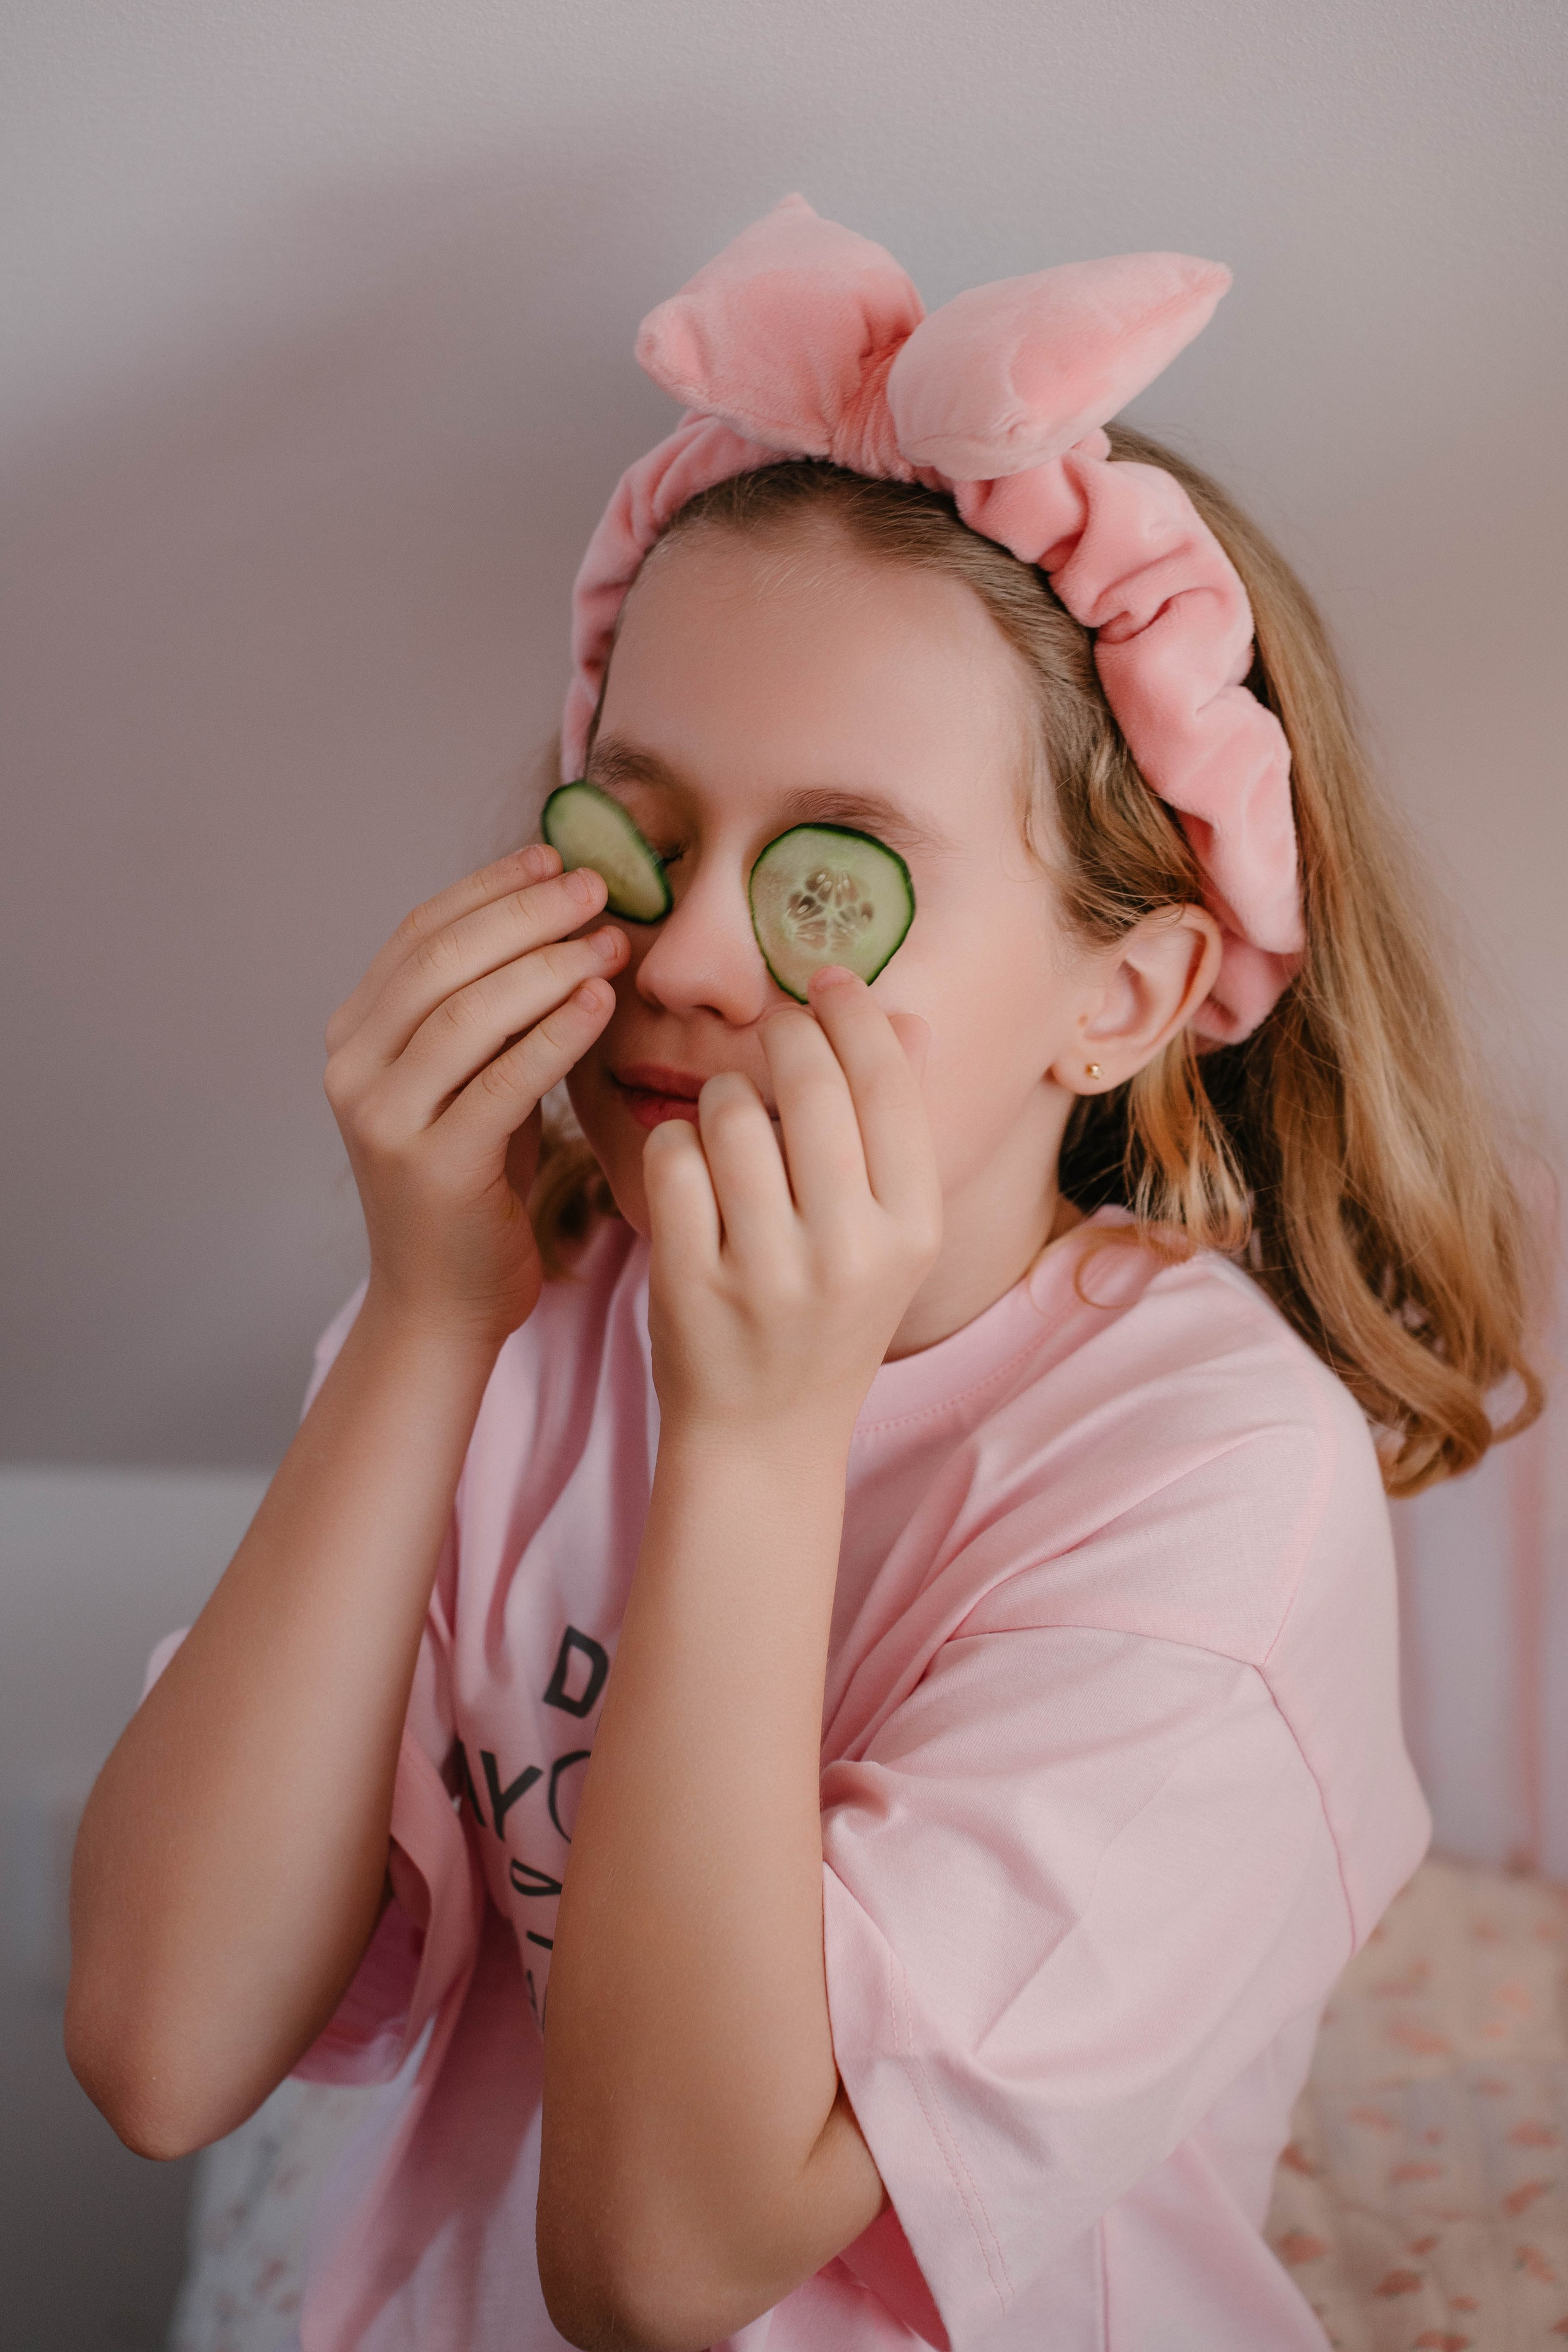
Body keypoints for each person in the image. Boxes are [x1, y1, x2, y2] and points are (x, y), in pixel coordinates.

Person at [67, 197, 1543, 2351]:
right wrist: (421, 1319)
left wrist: (757, 1439)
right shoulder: (505, 1329)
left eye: (832, 879)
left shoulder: (1218, 1483)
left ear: (1119, 998)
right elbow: (160, 2046)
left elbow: (663, 2258)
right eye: (642, 829)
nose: (676, 954)